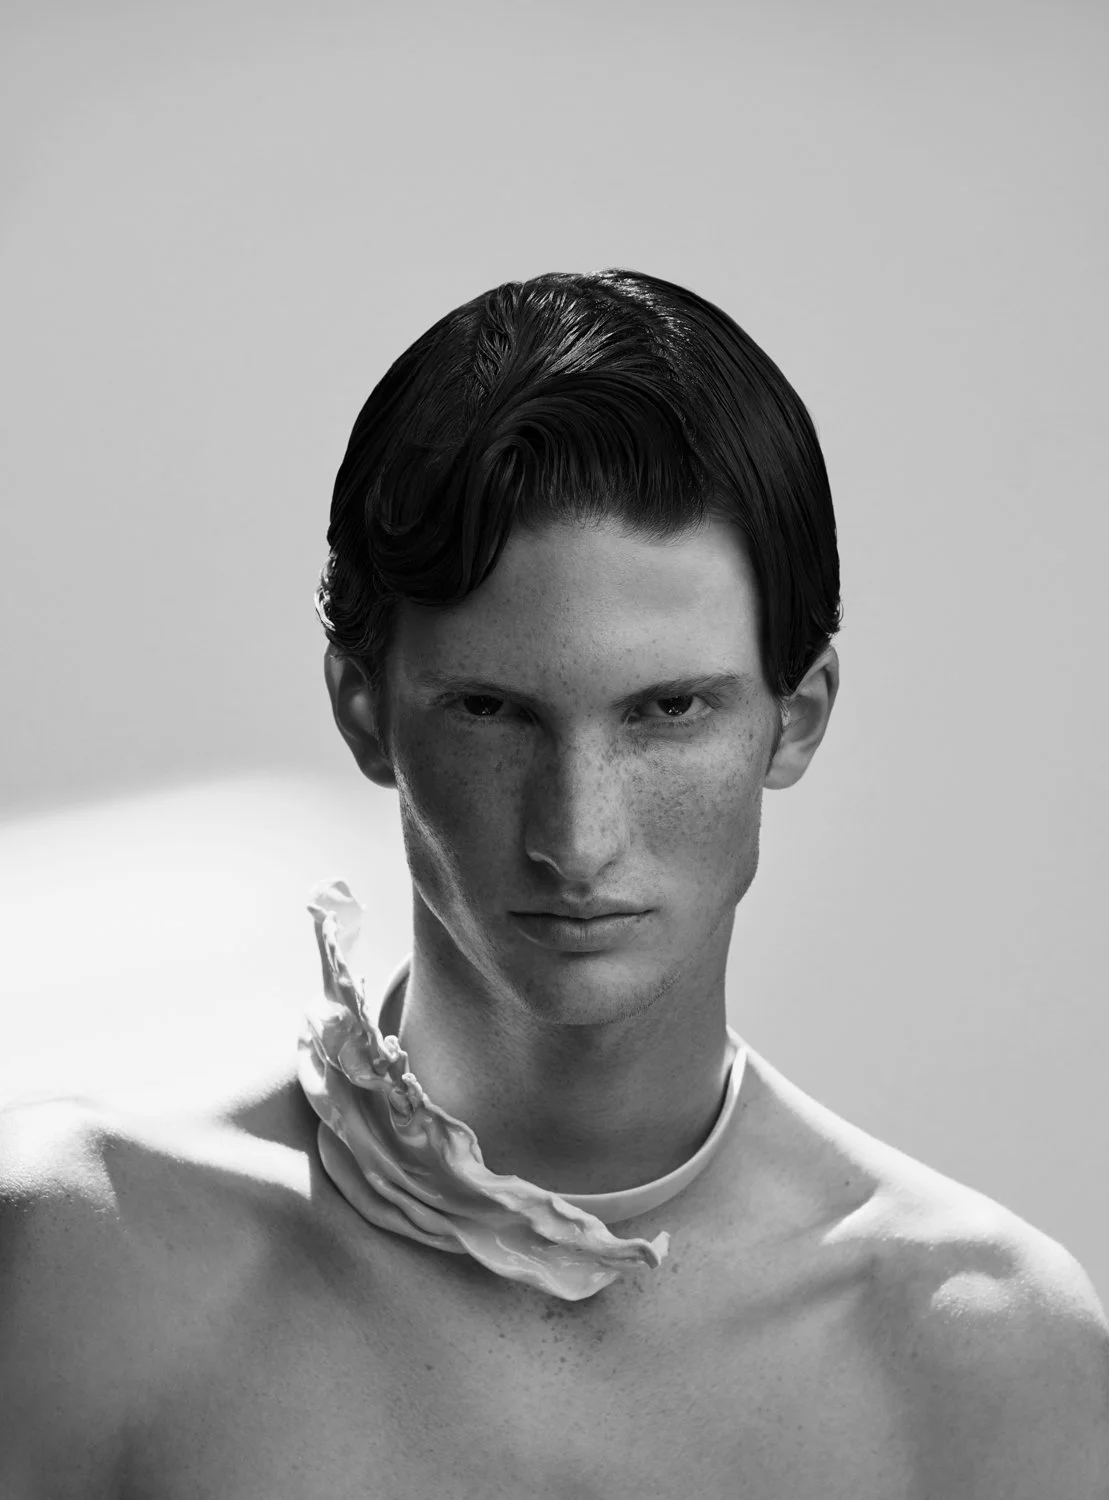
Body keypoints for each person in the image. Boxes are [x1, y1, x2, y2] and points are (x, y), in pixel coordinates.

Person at [2, 269, 1106, 1497]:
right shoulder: (77, 1261)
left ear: (794, 720)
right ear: (363, 711)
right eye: (492, 712)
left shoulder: (982, 1348)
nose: (575, 840)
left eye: (667, 711)